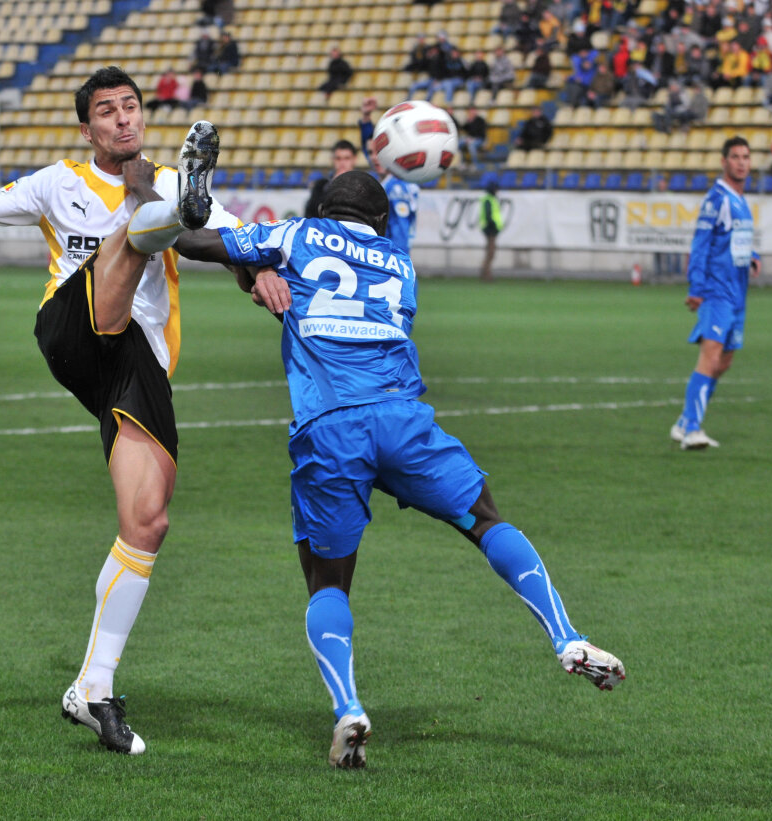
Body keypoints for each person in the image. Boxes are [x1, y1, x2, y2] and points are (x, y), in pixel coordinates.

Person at [177, 170, 625, 768]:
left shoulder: (297, 235)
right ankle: (566, 636)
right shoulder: (399, 263)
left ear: (322, 208)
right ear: (382, 222)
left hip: (332, 428)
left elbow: (192, 242)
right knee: (486, 519)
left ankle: (349, 709)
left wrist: (242, 258)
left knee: (329, 581)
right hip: (403, 421)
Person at [0, 68, 241, 755]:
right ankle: (163, 217)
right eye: (108, 111)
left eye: (131, 107)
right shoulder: (55, 183)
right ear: (88, 127)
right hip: (71, 326)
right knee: (136, 226)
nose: (124, 119)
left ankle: (92, 688)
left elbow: (234, 239)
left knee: (147, 520)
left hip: (135, 363)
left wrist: (260, 266)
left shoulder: (174, 185)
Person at [670, 136, 760, 451]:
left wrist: (753, 255)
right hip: (717, 291)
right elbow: (701, 244)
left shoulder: (739, 199)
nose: (741, 162)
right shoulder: (717, 199)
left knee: (724, 362)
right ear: (724, 162)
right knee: (710, 356)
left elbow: (737, 239)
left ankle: (683, 422)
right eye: (735, 156)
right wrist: (697, 288)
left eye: (746, 157)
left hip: (738, 294)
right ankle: (693, 429)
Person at [357, 98, 419, 255]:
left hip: (392, 264)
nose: (373, 157)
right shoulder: (386, 178)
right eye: (371, 153)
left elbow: (400, 236)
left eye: (378, 152)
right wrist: (366, 118)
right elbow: (370, 145)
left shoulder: (398, 188)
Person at [304, 139, 358, 218]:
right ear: (333, 159)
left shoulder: (362, 185)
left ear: (354, 159)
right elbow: (312, 212)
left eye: (347, 158)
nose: (342, 163)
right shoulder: (321, 186)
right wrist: (334, 185)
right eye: (338, 158)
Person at [478, 180, 502, 282]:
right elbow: (489, 215)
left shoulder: (489, 199)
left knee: (489, 252)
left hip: (490, 229)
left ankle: (485, 272)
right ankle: (486, 274)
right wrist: (494, 226)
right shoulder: (489, 200)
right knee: (491, 252)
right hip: (490, 230)